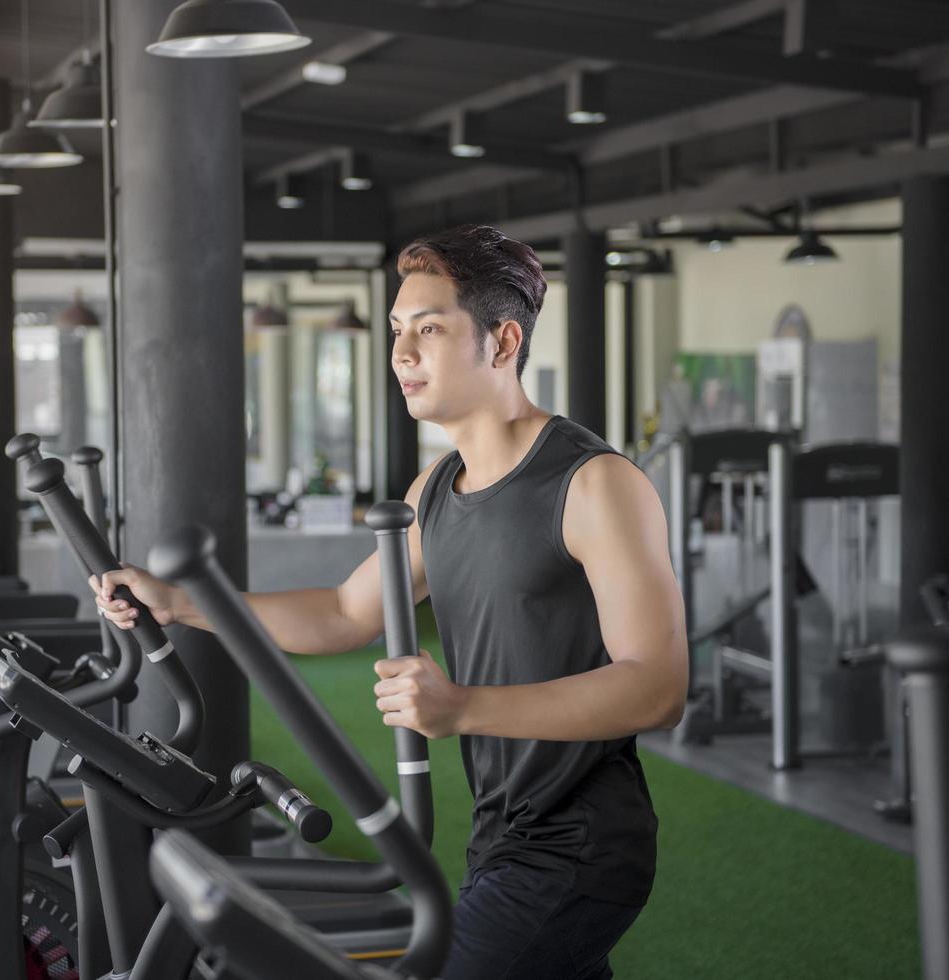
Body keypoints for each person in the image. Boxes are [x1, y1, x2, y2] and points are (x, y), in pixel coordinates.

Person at [93, 225, 687, 980]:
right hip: (500, 835)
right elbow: (346, 612)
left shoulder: (596, 484)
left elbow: (658, 685)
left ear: (502, 344)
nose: (402, 354)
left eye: (429, 330)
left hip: (579, 846)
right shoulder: (435, 490)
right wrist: (179, 602)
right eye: (398, 331)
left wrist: (462, 707)